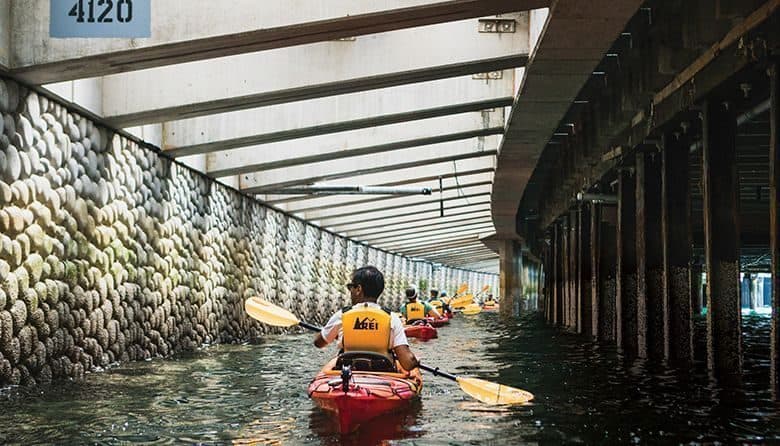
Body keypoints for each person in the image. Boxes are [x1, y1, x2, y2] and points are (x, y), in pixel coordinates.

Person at [314, 266, 419, 372]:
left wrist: (332, 332)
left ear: (359, 289)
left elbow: (319, 343)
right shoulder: (392, 318)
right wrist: (416, 361)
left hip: (348, 372)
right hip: (382, 375)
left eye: (351, 287)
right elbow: (407, 363)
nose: (350, 291)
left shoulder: (342, 315)